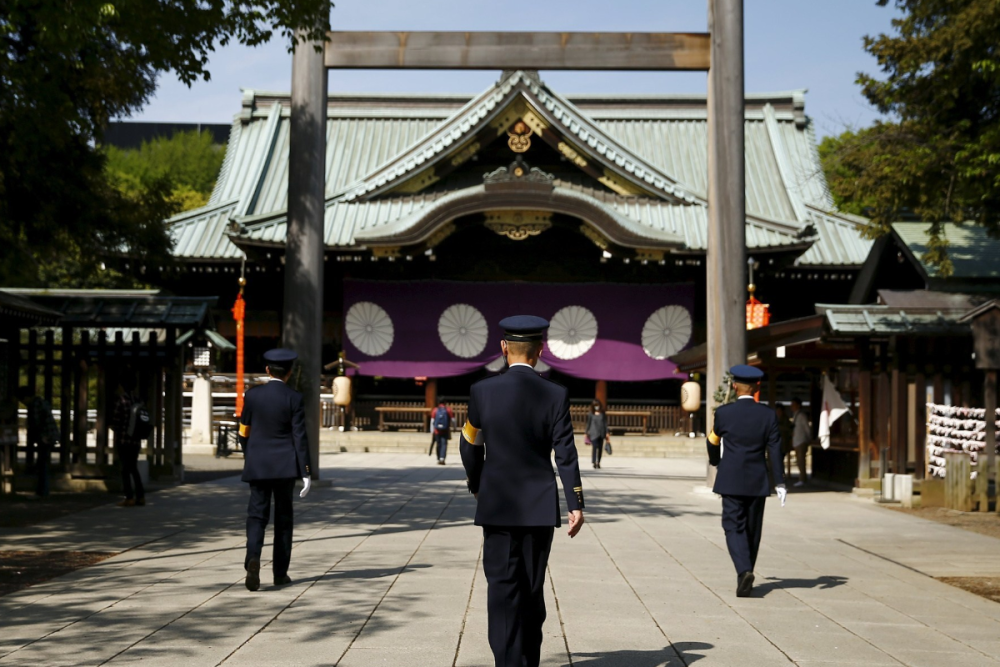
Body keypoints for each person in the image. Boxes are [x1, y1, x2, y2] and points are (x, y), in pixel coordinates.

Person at [460, 315, 585, 667]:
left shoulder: (481, 392)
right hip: (538, 507)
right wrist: (575, 502)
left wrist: (477, 484)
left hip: (497, 504)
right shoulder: (557, 394)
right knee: (531, 589)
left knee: (501, 589)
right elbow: (565, 453)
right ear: (539, 351)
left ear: (503, 349)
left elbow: (470, 443)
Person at [706, 365, 786, 598]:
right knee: (753, 529)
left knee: (733, 526)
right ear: (757, 387)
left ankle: (744, 571)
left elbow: (712, 441)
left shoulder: (723, 413)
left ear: (734, 386)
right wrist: (779, 482)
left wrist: (715, 462)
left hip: (730, 478)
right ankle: (746, 571)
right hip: (757, 480)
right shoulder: (768, 415)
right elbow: (775, 449)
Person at [238, 349, 312, 591]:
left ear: (267, 370)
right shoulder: (294, 398)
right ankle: (280, 574)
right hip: (284, 466)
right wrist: (306, 471)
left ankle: (253, 558)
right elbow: (299, 437)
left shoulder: (252, 395)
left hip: (258, 464)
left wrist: (250, 455)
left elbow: (243, 430)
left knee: (257, 516)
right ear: (290, 372)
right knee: (283, 518)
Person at [110, 376, 147, 507]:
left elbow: (116, 422)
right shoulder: (138, 401)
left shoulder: (121, 401)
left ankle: (129, 497)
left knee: (125, 469)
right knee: (134, 468)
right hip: (136, 441)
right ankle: (141, 496)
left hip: (123, 440)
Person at [16, 386, 59, 497]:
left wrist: (39, 436)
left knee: (43, 463)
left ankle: (43, 491)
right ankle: (42, 490)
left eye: (22, 400)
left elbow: (37, 423)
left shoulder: (35, 405)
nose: (23, 403)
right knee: (43, 462)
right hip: (50, 434)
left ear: (26, 397)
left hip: (45, 435)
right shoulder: (41, 402)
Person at [790, 397, 811, 487]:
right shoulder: (795, 415)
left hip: (802, 440)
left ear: (798, 405)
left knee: (801, 461)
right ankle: (802, 478)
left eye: (793, 405)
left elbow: (807, 428)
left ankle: (802, 479)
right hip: (796, 440)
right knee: (799, 460)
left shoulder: (802, 415)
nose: (792, 407)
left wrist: (808, 438)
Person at [585, 399, 609, 469]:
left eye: (597, 405)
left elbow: (605, 424)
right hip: (593, 433)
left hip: (601, 432)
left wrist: (607, 432)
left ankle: (598, 462)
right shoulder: (591, 414)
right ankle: (594, 461)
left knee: (600, 448)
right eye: (595, 406)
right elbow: (588, 423)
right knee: (594, 447)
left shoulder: (602, 413)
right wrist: (586, 432)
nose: (597, 407)